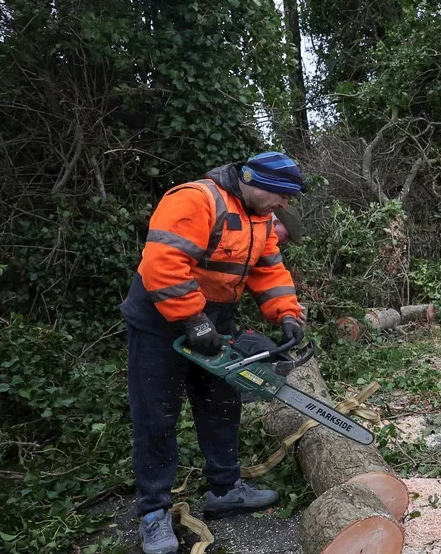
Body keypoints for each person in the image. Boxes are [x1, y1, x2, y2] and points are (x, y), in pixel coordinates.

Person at [121, 152, 309, 554]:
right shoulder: (196, 199)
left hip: (215, 317)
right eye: (283, 197)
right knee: (156, 415)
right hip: (160, 320)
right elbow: (163, 263)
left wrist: (287, 314)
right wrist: (194, 320)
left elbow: (269, 271)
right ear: (256, 182)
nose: (284, 207)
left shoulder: (260, 220)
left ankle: (225, 489)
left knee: (221, 405)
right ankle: (154, 514)